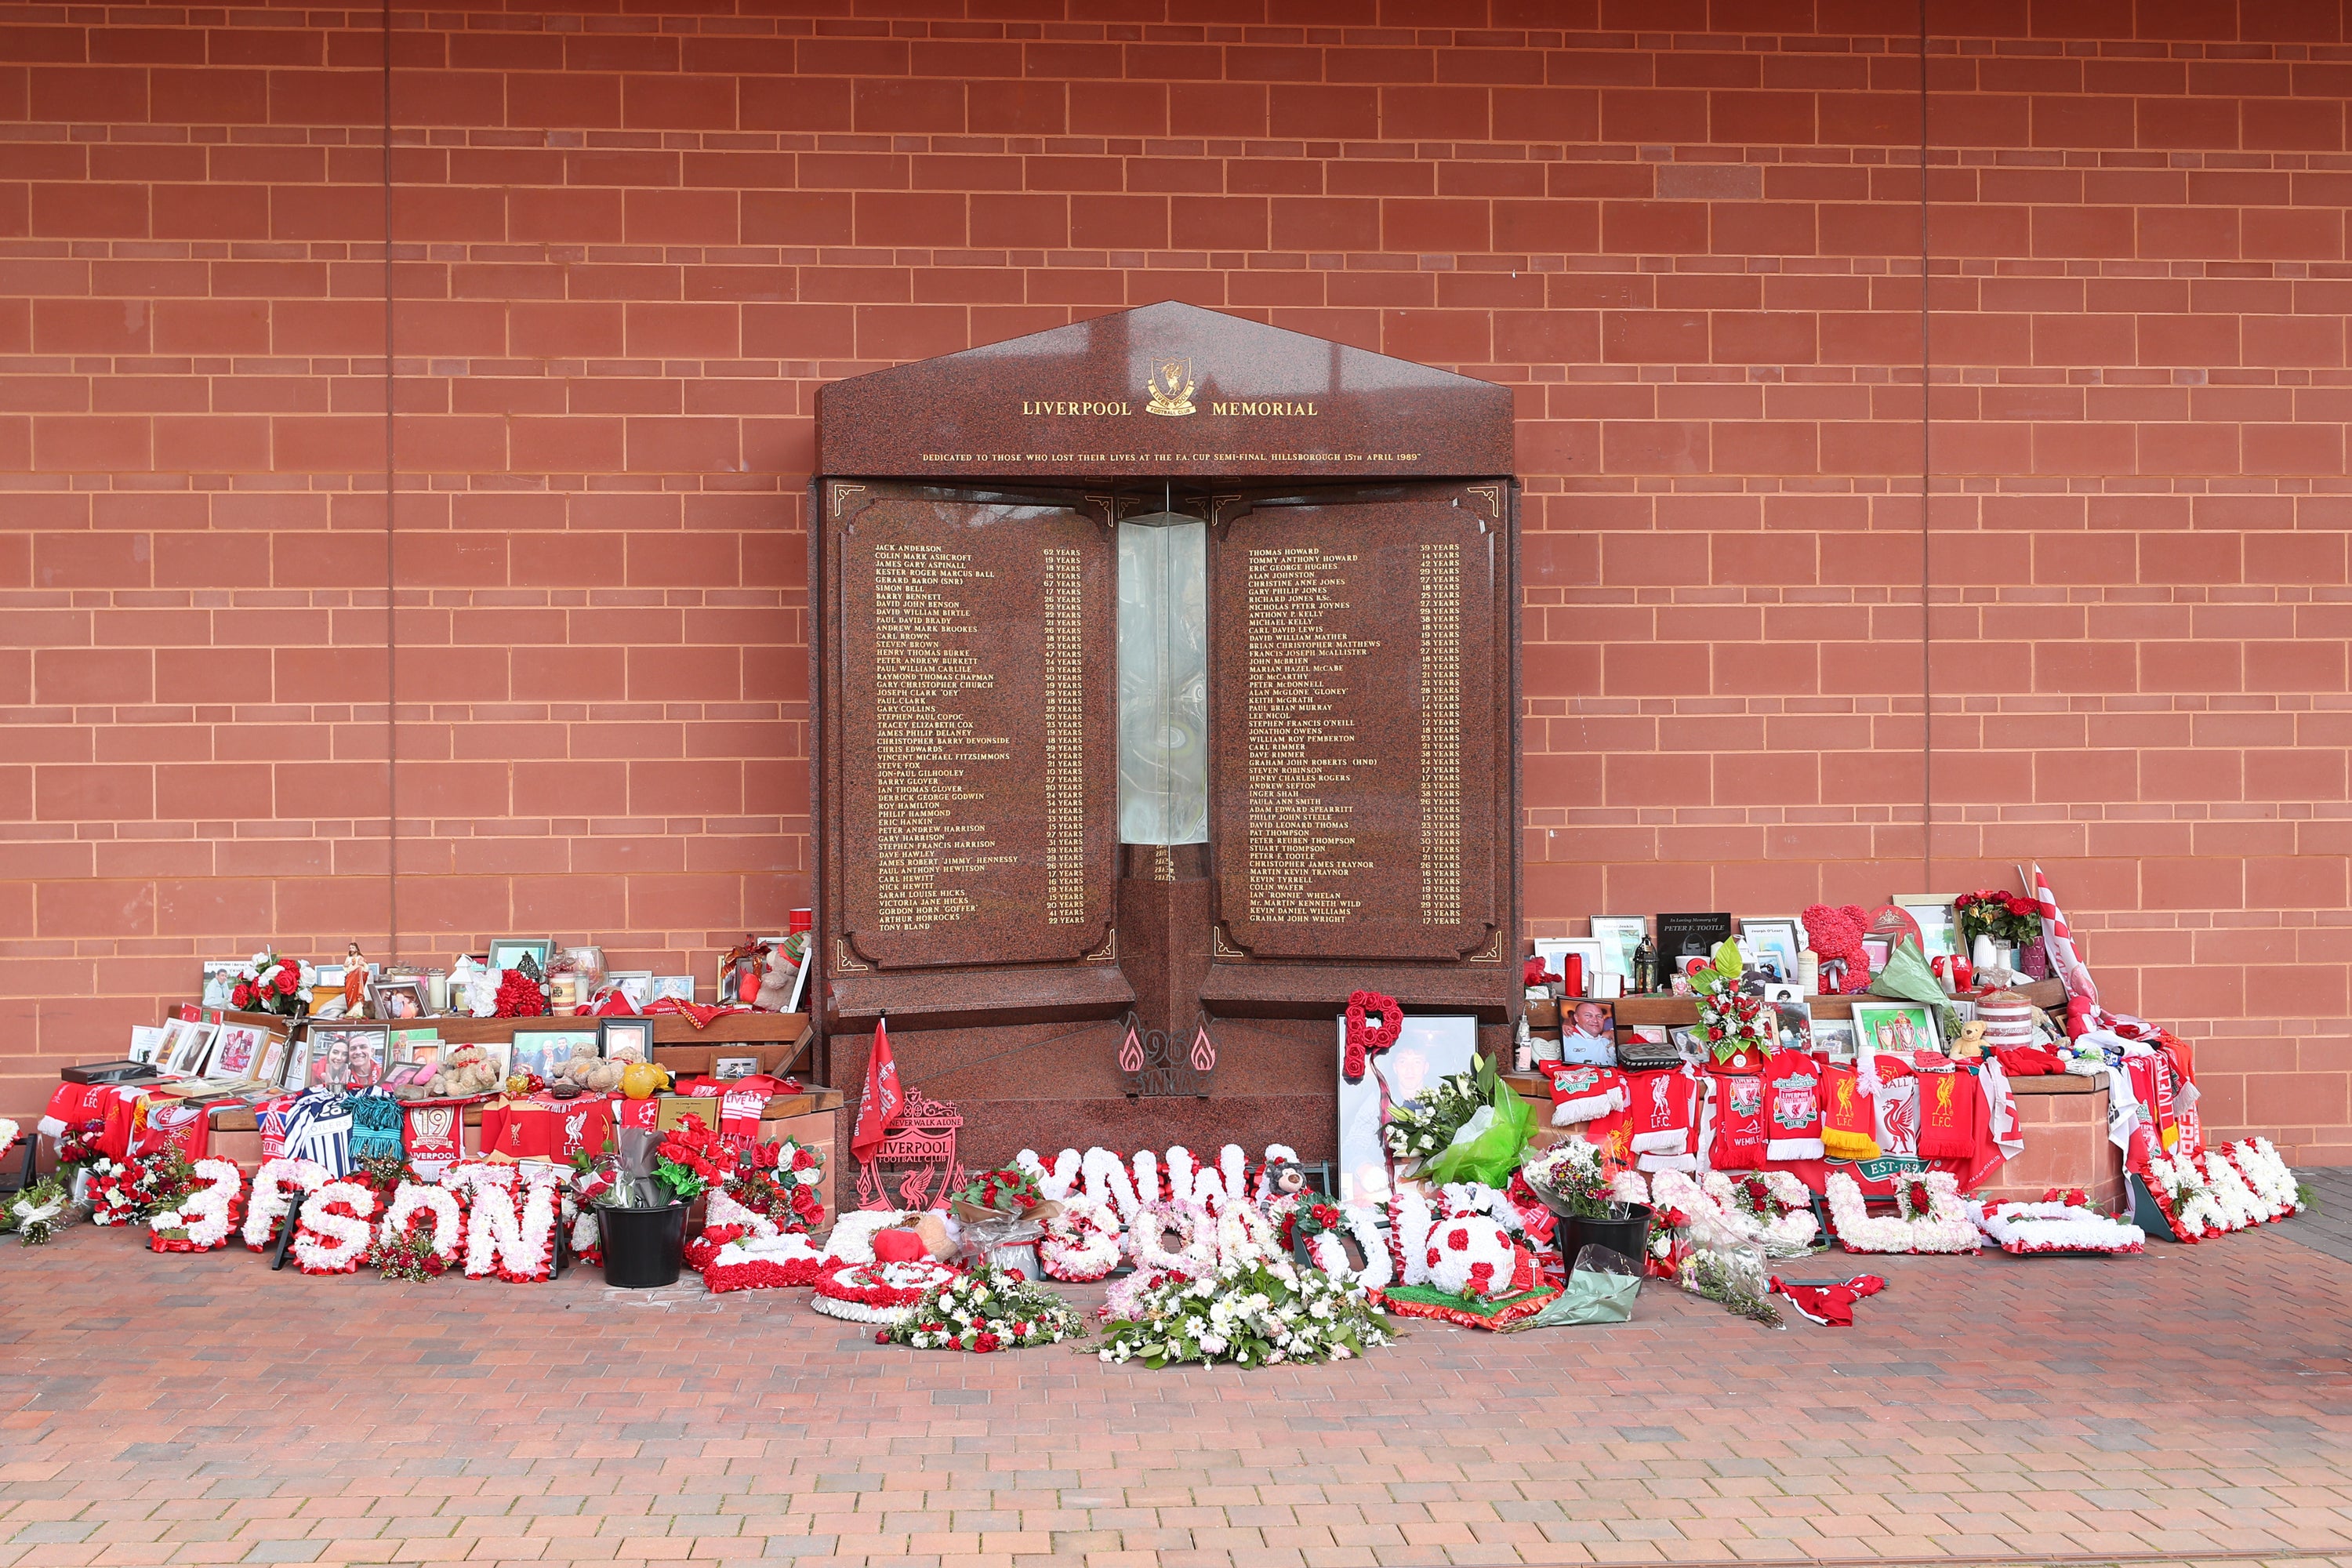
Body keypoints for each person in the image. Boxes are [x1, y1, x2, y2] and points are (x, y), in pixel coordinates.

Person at [1558, 1000, 1616, 1065]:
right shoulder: (1566, 1037)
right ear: (1576, 1018)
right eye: (1588, 1015)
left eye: (1599, 1016)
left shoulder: (1609, 1041)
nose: (1595, 1020)